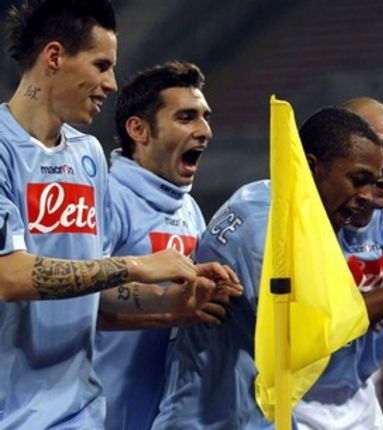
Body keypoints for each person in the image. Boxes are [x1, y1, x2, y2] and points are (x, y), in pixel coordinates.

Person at [0, 1, 238, 428]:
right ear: (54, 57)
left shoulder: (88, 155)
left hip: (82, 409)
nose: (111, 83)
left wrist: (175, 298)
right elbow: (9, 277)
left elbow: (95, 286)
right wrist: (136, 265)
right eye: (101, 65)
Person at [153, 107, 383, 429]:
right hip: (208, 420)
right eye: (358, 180)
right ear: (313, 166)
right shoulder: (269, 230)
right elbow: (310, 333)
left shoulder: (264, 199)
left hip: (256, 415)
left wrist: (354, 309)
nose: (367, 195)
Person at [290, 98, 383, 429]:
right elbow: (323, 322)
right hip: (292, 401)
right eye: (377, 148)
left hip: (360, 400)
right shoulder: (279, 223)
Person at [94, 60, 221, 430]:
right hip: (106, 415)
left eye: (205, 116)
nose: (205, 130)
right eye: (186, 117)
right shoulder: (106, 197)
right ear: (139, 129)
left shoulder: (190, 209)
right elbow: (80, 291)